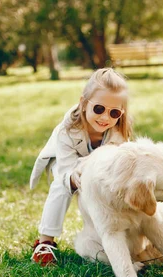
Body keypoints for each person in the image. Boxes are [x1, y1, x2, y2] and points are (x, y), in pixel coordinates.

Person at [29, 68, 133, 266]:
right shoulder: (67, 131)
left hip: (99, 167)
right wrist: (77, 178)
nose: (105, 118)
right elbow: (66, 167)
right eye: (99, 109)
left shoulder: (119, 132)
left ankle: (114, 236)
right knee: (60, 187)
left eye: (114, 113)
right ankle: (45, 241)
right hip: (67, 165)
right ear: (84, 103)